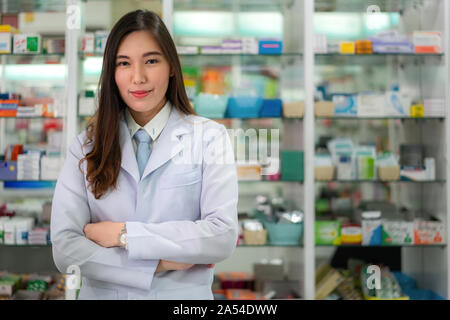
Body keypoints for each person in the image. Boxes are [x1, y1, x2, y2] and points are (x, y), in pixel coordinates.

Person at [50, 10, 238, 300]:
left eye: (151, 61)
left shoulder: (209, 137)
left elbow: (221, 237)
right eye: (124, 63)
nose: (138, 77)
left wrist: (123, 234)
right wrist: (158, 264)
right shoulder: (86, 147)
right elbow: (65, 248)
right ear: (112, 73)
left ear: (172, 67)